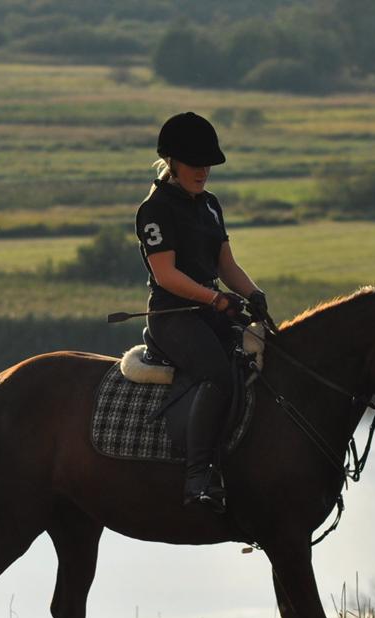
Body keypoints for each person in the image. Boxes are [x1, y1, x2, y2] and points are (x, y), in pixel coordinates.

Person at [135, 112, 269, 512]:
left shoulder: (210, 205)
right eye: (195, 165)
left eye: (207, 164)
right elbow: (166, 275)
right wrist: (214, 299)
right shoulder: (155, 210)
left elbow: (226, 264)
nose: (204, 172)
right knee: (216, 372)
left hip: (211, 311)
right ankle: (198, 477)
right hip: (173, 317)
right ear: (172, 163)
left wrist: (252, 292)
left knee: (261, 358)